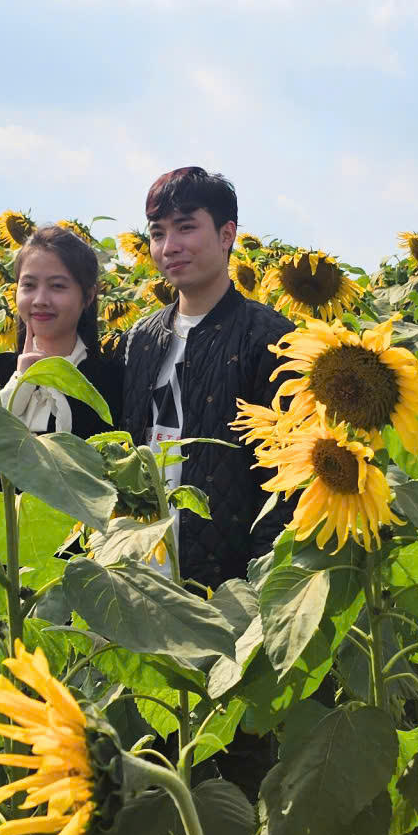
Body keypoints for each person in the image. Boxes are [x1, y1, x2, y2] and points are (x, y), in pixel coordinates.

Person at [117, 167, 291, 586]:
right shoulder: (141, 338)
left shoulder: (269, 338)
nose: (169, 246)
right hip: (141, 574)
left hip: (223, 584)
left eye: (186, 228)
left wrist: (257, 586)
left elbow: (284, 482)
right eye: (158, 233)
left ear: (227, 233)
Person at [0, 225, 126, 489]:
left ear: (87, 296)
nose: (40, 299)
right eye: (28, 285)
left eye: (57, 286)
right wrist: (20, 382)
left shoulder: (110, 381)